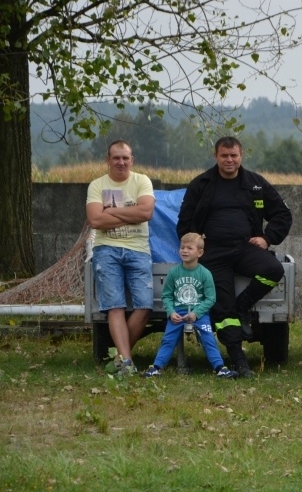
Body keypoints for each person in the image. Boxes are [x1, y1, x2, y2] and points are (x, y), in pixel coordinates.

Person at [177, 136, 292, 378]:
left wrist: (267, 238)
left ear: (241, 156)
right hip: (213, 253)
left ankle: (243, 306)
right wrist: (196, 245)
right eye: (224, 155)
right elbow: (184, 222)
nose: (229, 160)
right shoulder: (201, 184)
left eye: (234, 155)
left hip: (245, 247)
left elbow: (282, 214)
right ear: (215, 156)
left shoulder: (256, 184)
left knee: (274, 270)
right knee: (222, 307)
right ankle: (238, 360)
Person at [86, 140, 155, 375]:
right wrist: (131, 214)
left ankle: (120, 357)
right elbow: (96, 221)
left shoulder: (142, 181)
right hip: (106, 249)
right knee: (114, 306)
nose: (121, 162)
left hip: (138, 249)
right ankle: (126, 363)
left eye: (125, 157)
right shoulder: (97, 185)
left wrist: (111, 212)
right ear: (108, 160)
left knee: (145, 306)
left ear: (132, 160)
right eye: (116, 157)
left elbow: (146, 212)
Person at [143, 233, 238, 379]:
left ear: (200, 252)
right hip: (178, 313)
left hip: (199, 313)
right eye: (182, 247)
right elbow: (167, 295)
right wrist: (170, 312)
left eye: (189, 248)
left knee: (208, 339)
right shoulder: (174, 272)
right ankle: (156, 367)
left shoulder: (205, 273)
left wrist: (196, 313)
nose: (184, 251)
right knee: (168, 339)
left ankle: (220, 368)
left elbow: (211, 298)